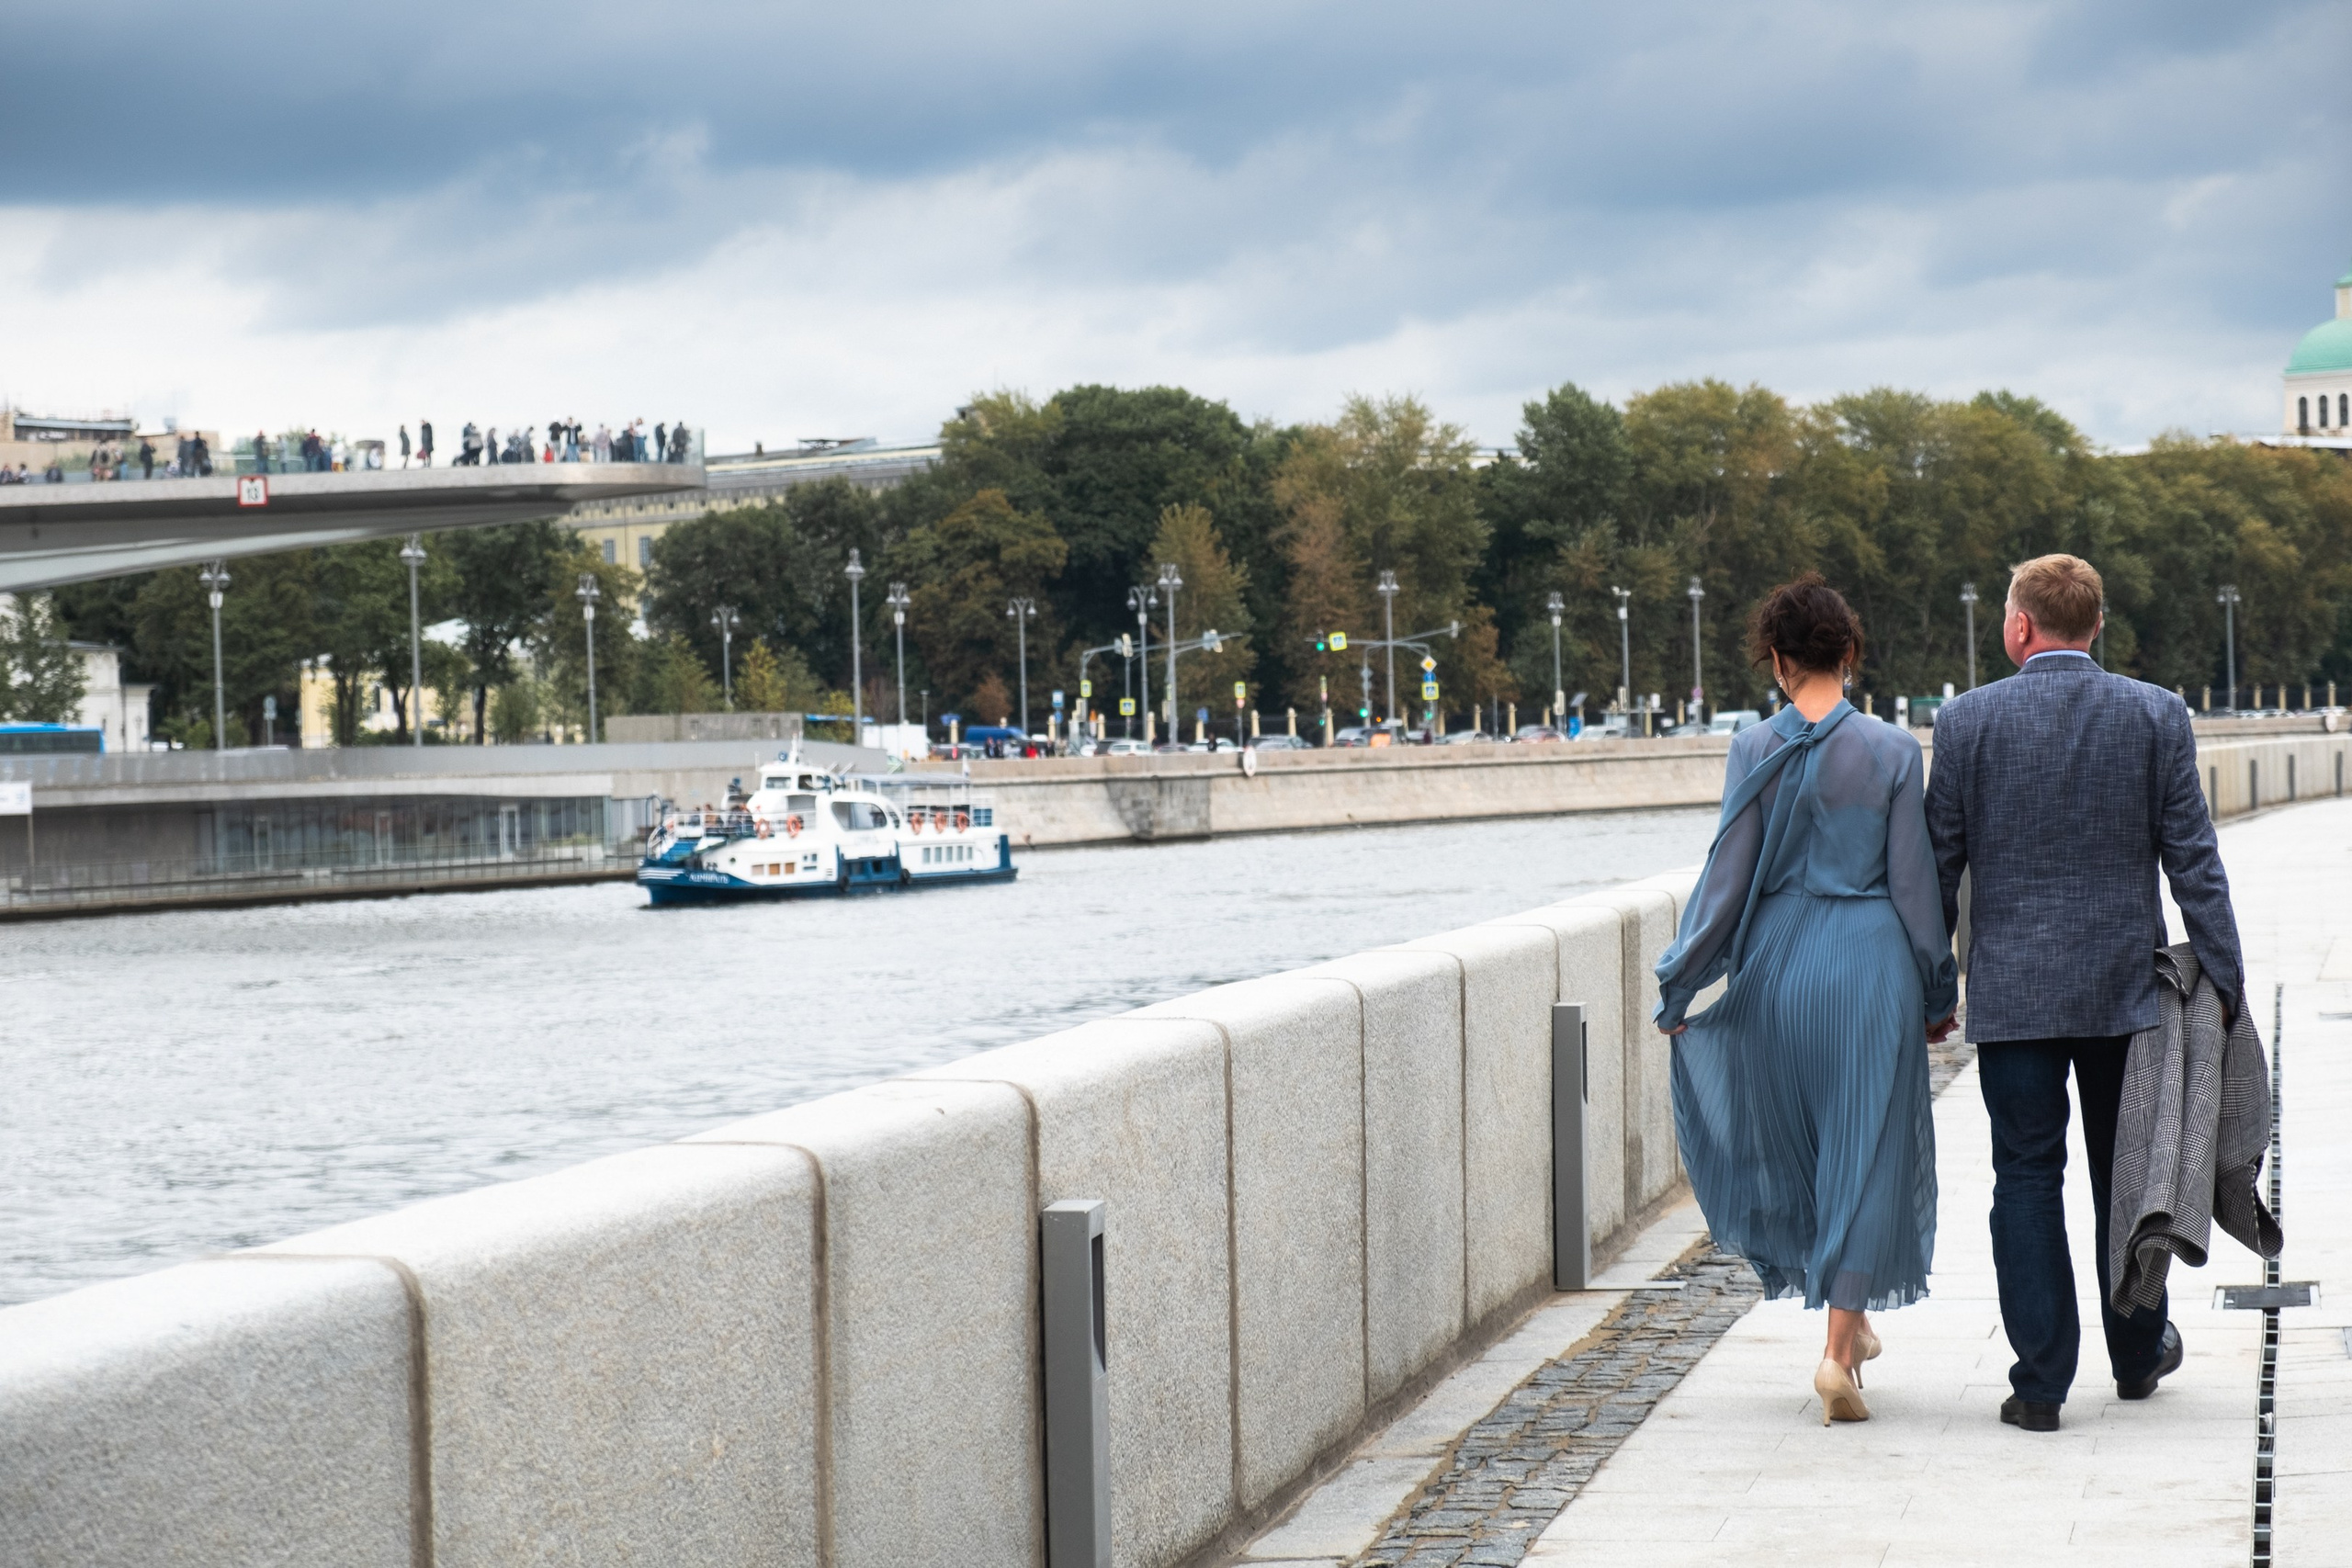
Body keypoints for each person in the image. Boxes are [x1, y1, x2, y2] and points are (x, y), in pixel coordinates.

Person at [1925, 553, 2242, 1433]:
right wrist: (2227, 976)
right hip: (2122, 995)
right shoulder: (2154, 713)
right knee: (2123, 1174)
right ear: (2094, 626)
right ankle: (2137, 1356)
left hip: (2015, 996)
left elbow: (1935, 871)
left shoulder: (1967, 721)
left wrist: (1930, 989)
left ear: (2020, 626)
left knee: (2025, 1175)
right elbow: (2193, 860)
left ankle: (2039, 1383)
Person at [1654, 574, 1955, 1427]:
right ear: (1850, 654)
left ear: (1779, 662)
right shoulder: (1894, 752)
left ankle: (1848, 1338)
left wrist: (1681, 984)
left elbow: (1723, 884)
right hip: (1869, 967)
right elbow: (1913, 890)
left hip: (1780, 968)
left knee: (1810, 1150)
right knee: (1865, 1150)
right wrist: (1937, 990)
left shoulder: (1753, 750)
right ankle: (1835, 1353)